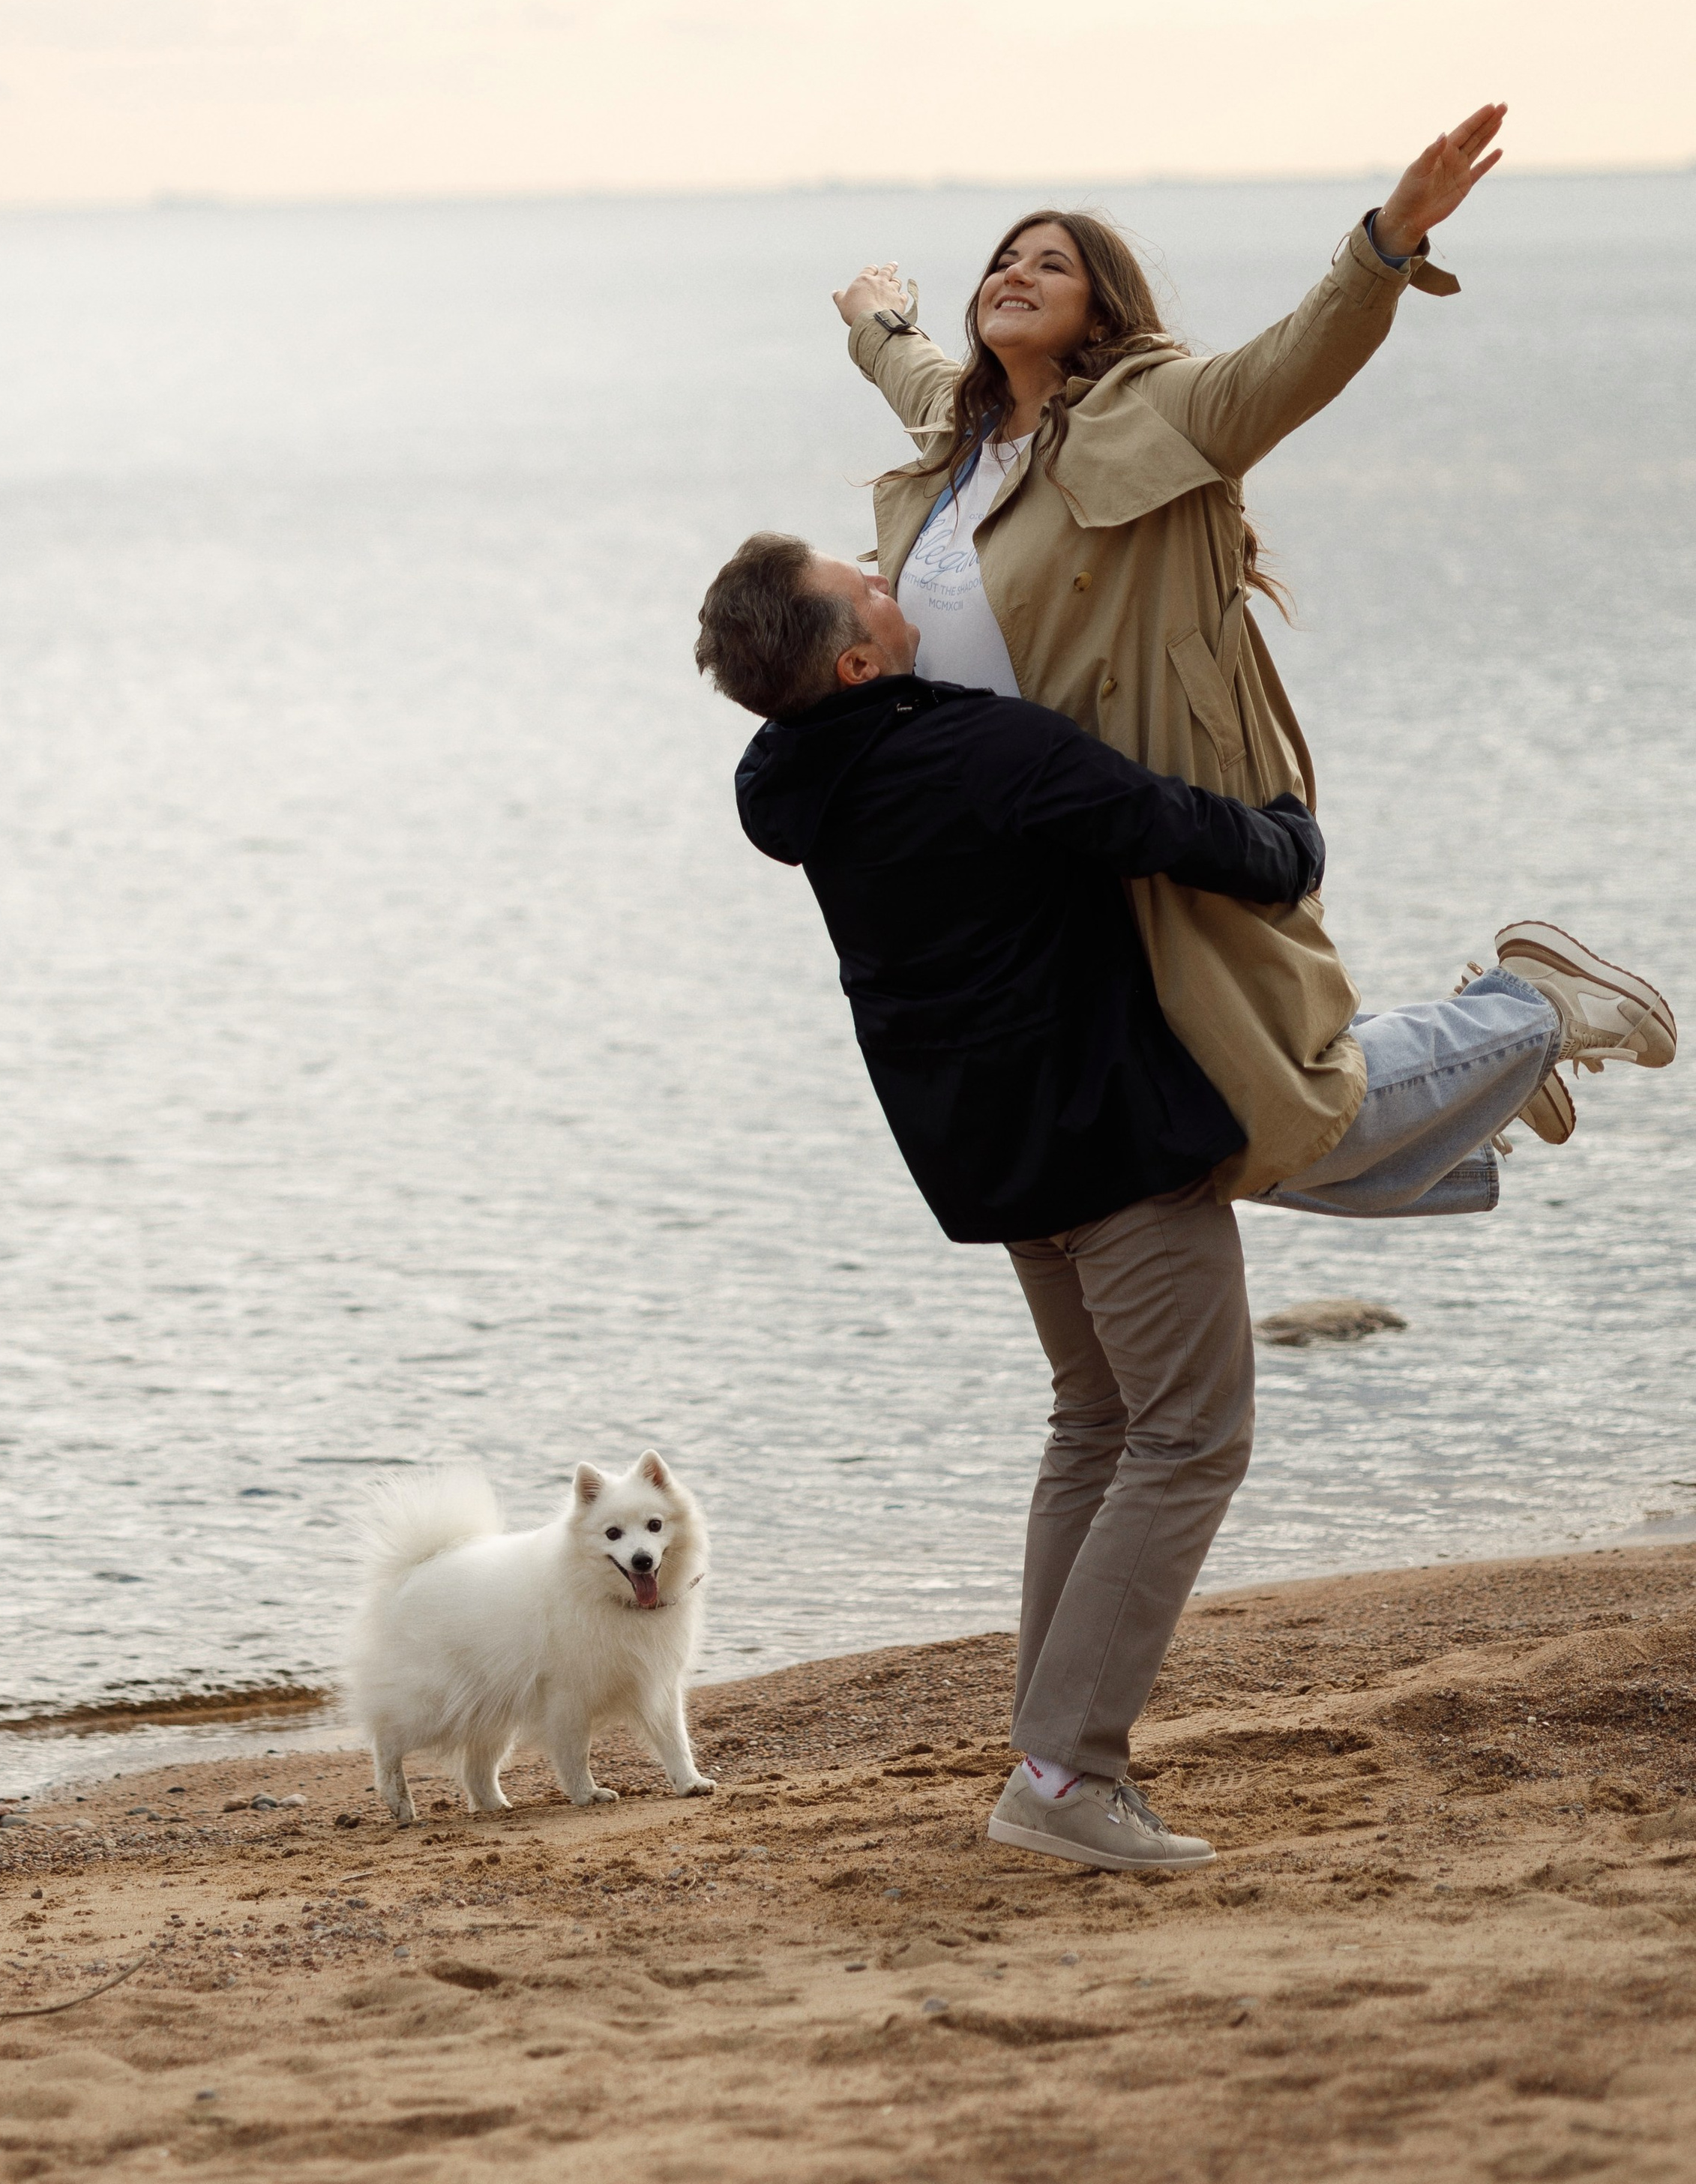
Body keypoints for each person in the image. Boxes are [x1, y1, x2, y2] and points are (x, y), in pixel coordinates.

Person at [693, 534, 1676, 1872]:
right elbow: (1216, 844)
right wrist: (1290, 823)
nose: (881, 565)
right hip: (1106, 1143)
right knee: (1190, 1440)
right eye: (857, 579)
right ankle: (1063, 1775)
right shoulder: (983, 754)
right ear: (859, 658)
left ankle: (1050, 1755)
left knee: (1096, 1423)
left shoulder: (795, 778)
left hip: (994, 1158)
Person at [827, 104, 1613, 1176]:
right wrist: (877, 320)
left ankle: (1528, 1016)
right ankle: (1483, 1082)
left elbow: (1300, 359)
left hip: (1157, 804)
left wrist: (1385, 244)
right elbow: (909, 372)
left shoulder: (1165, 412)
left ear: (1100, 305)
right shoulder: (956, 442)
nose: (1014, 273)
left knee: (1237, 1114)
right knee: (1157, 1130)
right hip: (1028, 853)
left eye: (1049, 265)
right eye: (1002, 261)